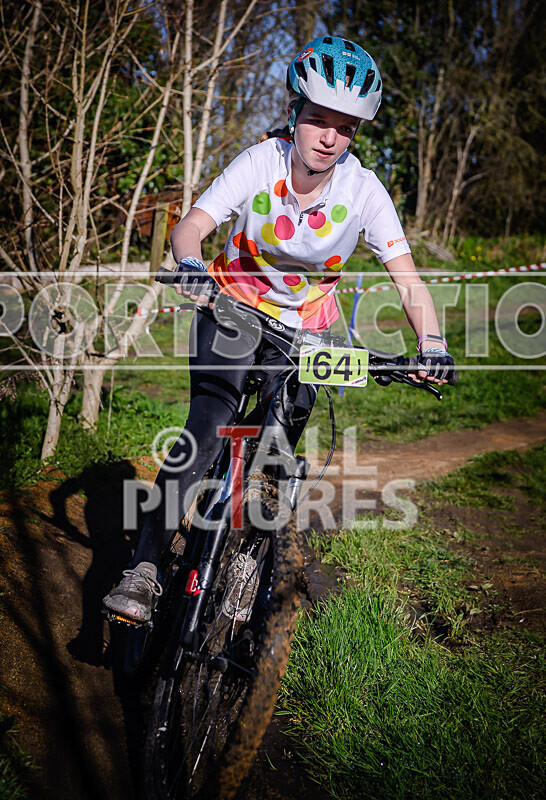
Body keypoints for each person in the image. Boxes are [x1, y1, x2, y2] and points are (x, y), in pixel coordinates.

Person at [103, 35, 456, 623]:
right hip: (232, 306)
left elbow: (409, 280)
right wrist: (189, 264)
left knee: (276, 454)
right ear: (295, 113)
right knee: (209, 427)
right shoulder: (261, 163)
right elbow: (191, 227)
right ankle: (142, 570)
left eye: (345, 128)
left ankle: (244, 559)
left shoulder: (363, 191)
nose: (329, 138)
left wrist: (433, 345)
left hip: (308, 331)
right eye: (319, 120)